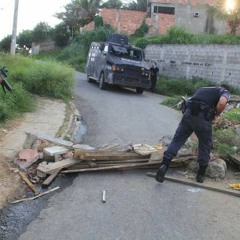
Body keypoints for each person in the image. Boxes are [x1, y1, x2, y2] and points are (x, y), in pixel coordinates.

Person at [155, 84, 230, 183]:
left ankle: (164, 165)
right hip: (202, 117)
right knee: (205, 144)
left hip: (188, 113)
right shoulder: (223, 91)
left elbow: (191, 99)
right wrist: (216, 114)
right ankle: (200, 175)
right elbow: (222, 102)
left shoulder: (203, 89)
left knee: (178, 139)